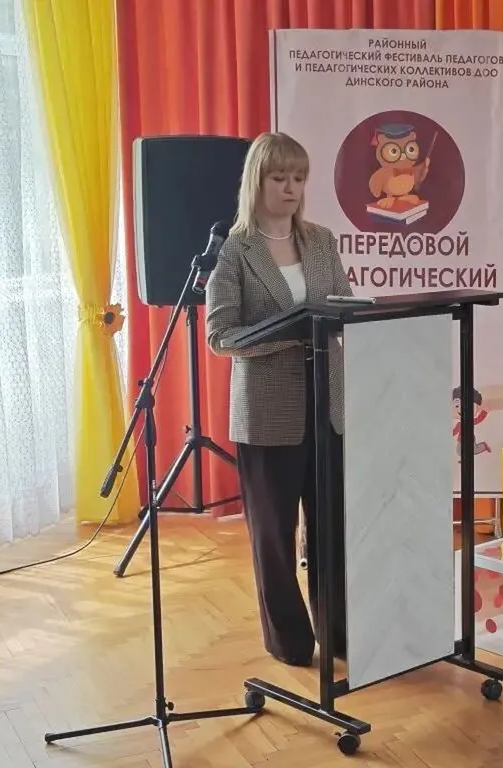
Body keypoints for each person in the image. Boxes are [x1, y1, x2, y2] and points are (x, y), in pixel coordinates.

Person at [205, 131, 352, 667]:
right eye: (280, 177)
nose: (291, 188)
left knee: (332, 530)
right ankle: (289, 641)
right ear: (257, 181)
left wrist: (347, 318)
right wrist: (291, 333)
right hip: (268, 416)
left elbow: (345, 305)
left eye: (299, 178)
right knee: (274, 536)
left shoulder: (322, 240)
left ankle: (340, 634)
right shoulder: (234, 252)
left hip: (328, 407)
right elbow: (220, 336)